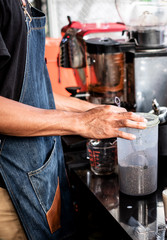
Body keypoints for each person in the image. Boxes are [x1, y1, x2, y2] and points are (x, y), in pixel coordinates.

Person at [0, 0, 146, 239]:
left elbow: (35, 90)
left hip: (40, 168)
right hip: (9, 185)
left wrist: (93, 110)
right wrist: (80, 122)